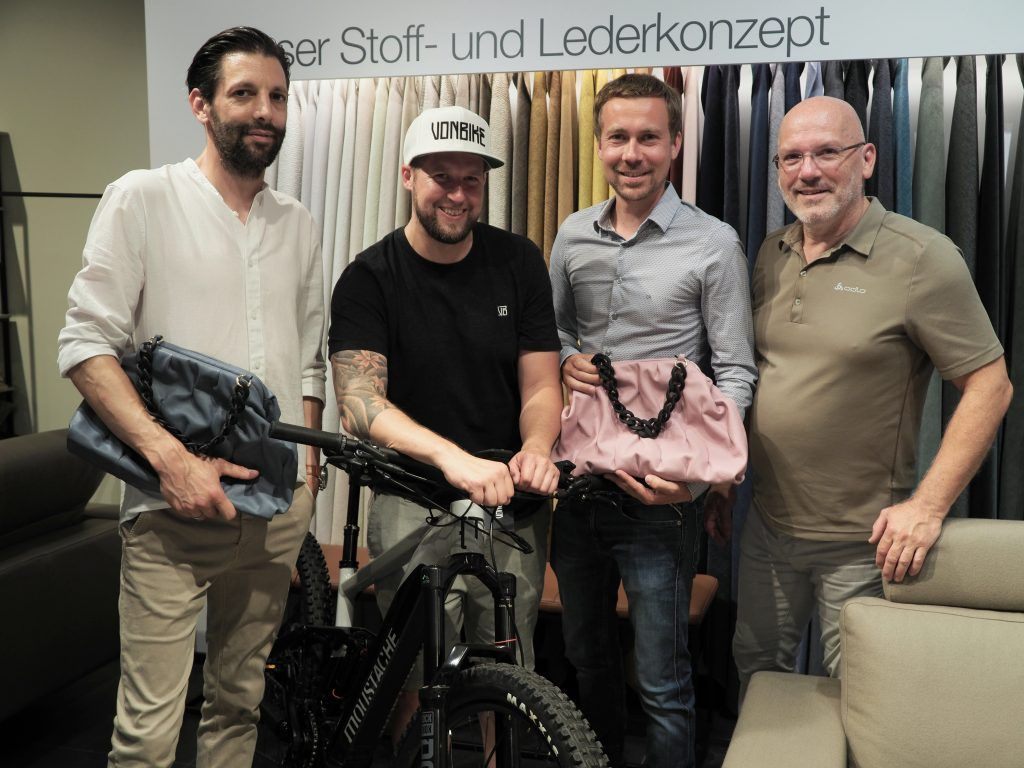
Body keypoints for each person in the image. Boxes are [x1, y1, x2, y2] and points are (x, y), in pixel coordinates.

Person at [56, 27, 326, 767]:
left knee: (239, 708)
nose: (265, 111)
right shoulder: (142, 198)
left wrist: (305, 483)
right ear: (200, 104)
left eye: (277, 96)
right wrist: (172, 462)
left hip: (272, 514)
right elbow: (84, 345)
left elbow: (309, 361)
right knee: (147, 736)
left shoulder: (298, 223)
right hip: (169, 512)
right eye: (244, 93)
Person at [734, 95, 1013, 700]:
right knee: (757, 685)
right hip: (767, 529)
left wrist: (928, 507)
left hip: (864, 547)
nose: (808, 171)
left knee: (863, 701)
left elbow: (990, 385)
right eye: (791, 157)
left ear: (867, 159)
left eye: (826, 153)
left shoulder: (921, 258)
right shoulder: (771, 254)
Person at [328, 105, 563, 743]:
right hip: (412, 497)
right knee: (412, 671)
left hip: (510, 501)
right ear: (408, 175)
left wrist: (537, 447)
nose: (457, 195)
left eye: (471, 181)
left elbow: (542, 384)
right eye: (442, 178)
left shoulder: (518, 261)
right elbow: (360, 403)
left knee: (509, 674)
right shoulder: (369, 277)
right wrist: (452, 460)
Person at [549, 73, 756, 768]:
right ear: (599, 144)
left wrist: (704, 483)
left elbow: (735, 372)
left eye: (647, 137)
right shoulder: (573, 233)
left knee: (663, 682)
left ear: (674, 144)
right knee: (586, 658)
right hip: (580, 489)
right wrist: (567, 360)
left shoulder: (713, 243)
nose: (631, 153)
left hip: (662, 500)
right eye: (618, 137)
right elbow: (552, 335)